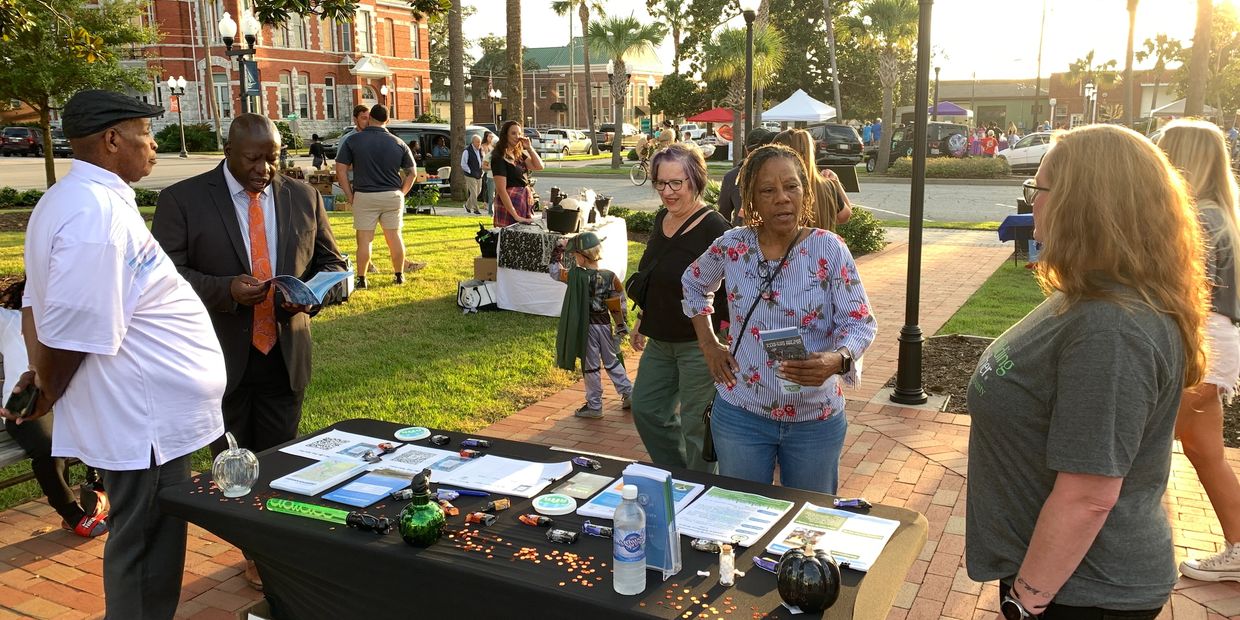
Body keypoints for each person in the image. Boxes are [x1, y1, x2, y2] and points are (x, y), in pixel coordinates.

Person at [966, 124, 1208, 617]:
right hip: (1059, 580)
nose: (1030, 201)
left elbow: (1089, 496)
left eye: (1039, 189)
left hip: (1082, 593)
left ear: (1085, 203)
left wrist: (1023, 603)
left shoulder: (1112, 329)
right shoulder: (1090, 295)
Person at [13, 89, 226, 619]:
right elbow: (77, 330)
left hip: (143, 415)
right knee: (148, 549)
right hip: (143, 420)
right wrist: (47, 390)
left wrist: (41, 378)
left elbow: (37, 307)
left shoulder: (71, 201)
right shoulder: (95, 217)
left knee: (145, 540)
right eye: (144, 134)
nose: (153, 146)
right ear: (111, 140)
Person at [153, 113, 346, 590]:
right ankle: (253, 549)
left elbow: (332, 263)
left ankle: (273, 549)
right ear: (228, 151)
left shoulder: (303, 196)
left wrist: (316, 293)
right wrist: (224, 290)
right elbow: (162, 277)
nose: (265, 168)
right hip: (219, 361)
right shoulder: (183, 200)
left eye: (274, 157)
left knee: (280, 459)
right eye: (254, 158)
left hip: (285, 354)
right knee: (235, 466)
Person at [681, 144, 877, 492]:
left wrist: (838, 359)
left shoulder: (828, 248)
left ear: (806, 190)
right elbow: (693, 284)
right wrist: (709, 344)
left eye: (791, 186)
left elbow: (860, 321)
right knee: (742, 517)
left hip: (814, 419)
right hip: (742, 412)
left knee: (809, 521)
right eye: (767, 190)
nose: (782, 198)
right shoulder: (733, 246)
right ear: (751, 200)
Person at [1155, 120, 1240, 583]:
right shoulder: (1220, 212)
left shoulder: (1201, 217)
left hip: (1200, 342)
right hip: (1216, 340)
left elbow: (1190, 290)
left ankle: (1120, 549)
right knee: (1205, 451)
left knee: (1142, 445)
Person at [630, 144, 732, 472]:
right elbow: (655, 276)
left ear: (696, 180)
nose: (668, 192)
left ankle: (703, 490)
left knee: (696, 423)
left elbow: (732, 293)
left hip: (698, 344)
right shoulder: (663, 219)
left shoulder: (716, 228)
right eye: (661, 183)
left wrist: (723, 342)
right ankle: (677, 474)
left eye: (677, 183)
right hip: (660, 339)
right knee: (646, 409)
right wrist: (643, 318)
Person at [0, 277, 108, 538]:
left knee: (106, 423)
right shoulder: (7, 319)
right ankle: (72, 514)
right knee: (49, 448)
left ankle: (99, 490)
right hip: (24, 405)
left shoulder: (67, 319)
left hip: (65, 399)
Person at [335, 104, 423, 289]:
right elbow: (412, 172)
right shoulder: (398, 142)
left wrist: (350, 195)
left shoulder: (354, 141)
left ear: (371, 117)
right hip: (392, 195)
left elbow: (340, 170)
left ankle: (362, 279)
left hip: (365, 195)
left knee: (365, 240)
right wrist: (402, 192)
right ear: (387, 120)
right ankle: (399, 275)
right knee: (395, 237)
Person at [549, 230, 633, 419]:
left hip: (586, 328)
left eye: (575, 255)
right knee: (612, 361)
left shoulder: (575, 276)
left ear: (583, 256)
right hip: (604, 325)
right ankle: (629, 394)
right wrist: (620, 326)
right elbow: (618, 303)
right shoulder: (610, 276)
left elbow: (554, 272)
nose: (574, 258)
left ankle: (594, 406)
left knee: (591, 366)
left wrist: (558, 250)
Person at [772, 128, 852, 230]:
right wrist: (836, 183)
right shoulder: (826, 187)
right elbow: (844, 216)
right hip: (822, 245)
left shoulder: (774, 190)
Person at [718, 127, 776, 225]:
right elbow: (724, 216)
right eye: (754, 150)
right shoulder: (732, 177)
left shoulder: (731, 176)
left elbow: (724, 215)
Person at [491, 120, 544, 227]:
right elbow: (501, 190)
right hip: (509, 204)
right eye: (513, 133)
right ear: (505, 135)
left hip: (523, 201)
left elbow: (539, 166)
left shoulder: (519, 155)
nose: (517, 136)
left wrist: (529, 148)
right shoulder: (498, 158)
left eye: (519, 133)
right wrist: (515, 215)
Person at [460, 133, 486, 215]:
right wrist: (470, 171)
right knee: (474, 192)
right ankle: (476, 209)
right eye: (477, 142)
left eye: (480, 142)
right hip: (470, 175)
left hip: (479, 174)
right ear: (473, 142)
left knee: (478, 191)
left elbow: (483, 161)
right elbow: (463, 164)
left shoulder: (481, 150)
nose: (479, 144)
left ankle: (467, 206)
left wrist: (483, 171)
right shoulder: (467, 151)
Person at [481, 131, 496, 215]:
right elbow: (484, 164)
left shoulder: (494, 150)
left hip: (498, 176)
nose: (491, 138)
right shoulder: (485, 148)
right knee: (490, 192)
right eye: (490, 137)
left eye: (492, 137)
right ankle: (490, 210)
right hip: (490, 175)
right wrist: (491, 167)